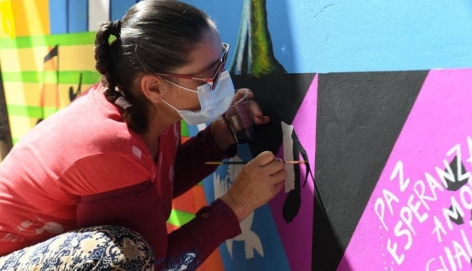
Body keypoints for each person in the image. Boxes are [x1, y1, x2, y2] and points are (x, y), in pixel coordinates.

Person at [0, 0, 286, 270]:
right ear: (155, 88)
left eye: (221, 60)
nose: (223, 80)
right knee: (118, 255)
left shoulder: (148, 108)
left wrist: (219, 136)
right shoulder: (108, 145)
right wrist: (239, 203)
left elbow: (152, 186)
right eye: (210, 75)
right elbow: (152, 265)